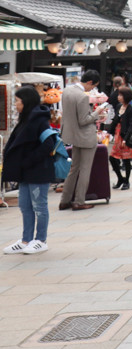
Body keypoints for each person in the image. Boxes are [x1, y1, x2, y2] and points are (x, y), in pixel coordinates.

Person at [3, 86, 57, 254]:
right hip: (26, 171)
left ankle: (41, 239)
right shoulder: (26, 119)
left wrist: (29, 160)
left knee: (39, 206)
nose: (15, 105)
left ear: (26, 101)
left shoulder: (39, 120)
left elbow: (49, 143)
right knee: (25, 206)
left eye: (17, 101)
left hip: (38, 171)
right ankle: (26, 239)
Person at [59, 69, 107, 212]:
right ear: (89, 82)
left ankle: (64, 200)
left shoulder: (67, 91)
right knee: (85, 170)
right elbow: (84, 120)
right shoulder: (82, 97)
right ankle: (79, 201)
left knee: (73, 169)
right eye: (93, 86)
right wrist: (97, 113)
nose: (92, 90)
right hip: (85, 136)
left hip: (72, 135)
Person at [109, 87, 132, 190]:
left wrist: (126, 139)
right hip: (117, 135)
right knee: (112, 158)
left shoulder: (131, 109)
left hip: (126, 137)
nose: (118, 97)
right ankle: (120, 178)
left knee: (126, 160)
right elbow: (115, 121)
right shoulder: (118, 107)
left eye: (121, 95)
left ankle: (126, 181)